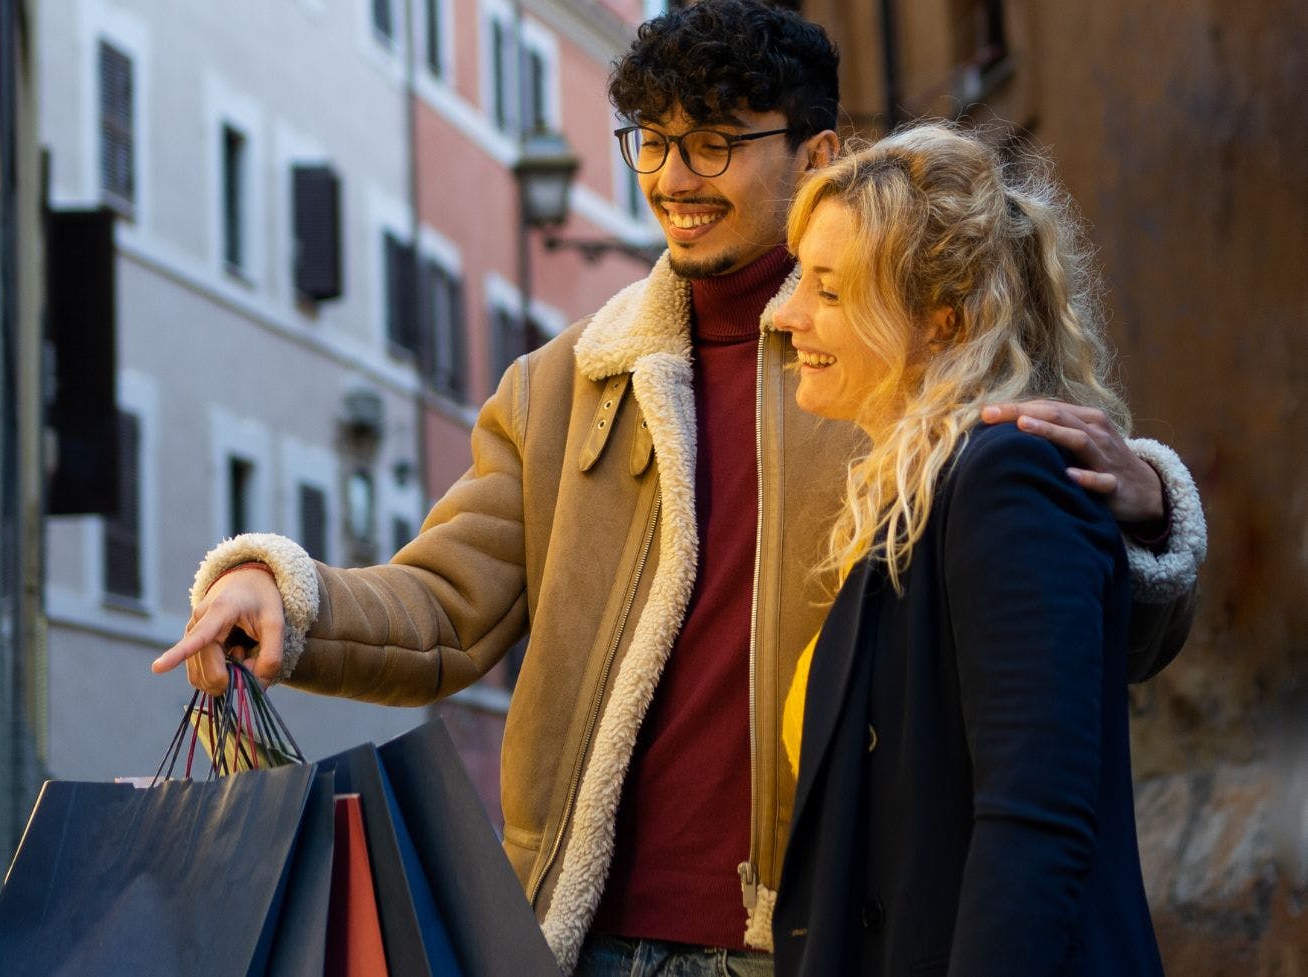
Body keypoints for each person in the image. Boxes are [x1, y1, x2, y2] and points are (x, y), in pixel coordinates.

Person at [152, 3, 1205, 974]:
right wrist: (284, 594)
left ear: (817, 154)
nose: (672, 177)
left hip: (816, 927)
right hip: (589, 933)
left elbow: (1069, 648)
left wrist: (1148, 507)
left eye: (713, 142)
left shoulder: (906, 363)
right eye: (651, 142)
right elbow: (443, 602)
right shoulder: (561, 383)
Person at [771, 124, 1180, 976]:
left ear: (940, 322)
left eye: (830, 290)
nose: (785, 313)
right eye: (794, 278)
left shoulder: (1007, 477)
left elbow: (1033, 824)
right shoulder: (910, 498)